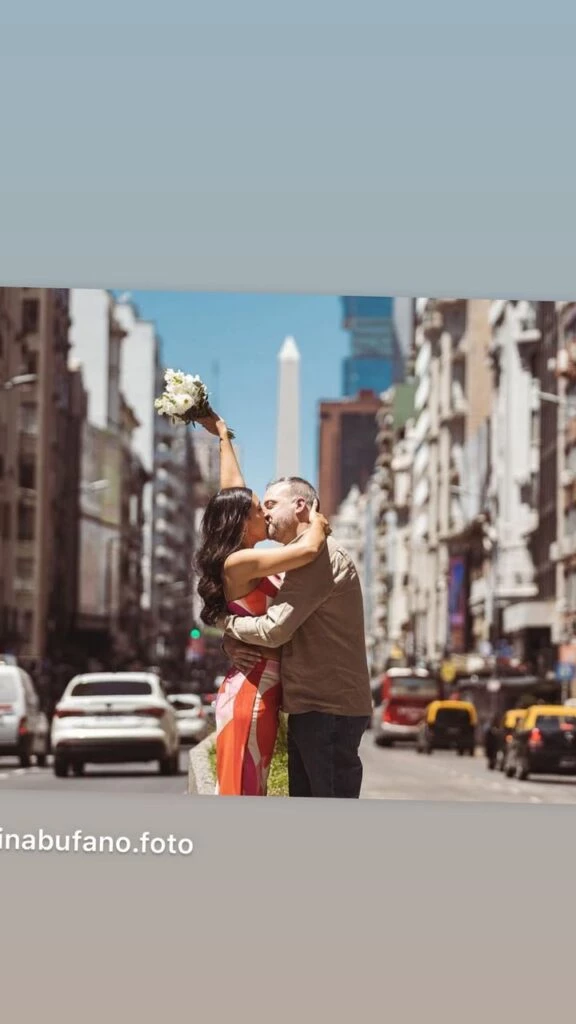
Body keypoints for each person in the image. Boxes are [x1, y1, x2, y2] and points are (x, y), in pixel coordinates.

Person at [194, 413, 331, 796]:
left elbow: (232, 490)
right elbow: (308, 550)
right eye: (259, 509)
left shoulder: (245, 553)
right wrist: (315, 516)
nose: (266, 513)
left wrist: (222, 436)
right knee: (241, 793)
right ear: (241, 523)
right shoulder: (241, 562)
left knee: (250, 789)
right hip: (251, 695)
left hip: (261, 689)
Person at [221, 475, 373, 799]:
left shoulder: (317, 557)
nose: (266, 514)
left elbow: (274, 629)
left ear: (300, 506)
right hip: (314, 707)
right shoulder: (299, 558)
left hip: (328, 710)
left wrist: (227, 624)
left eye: (272, 505)